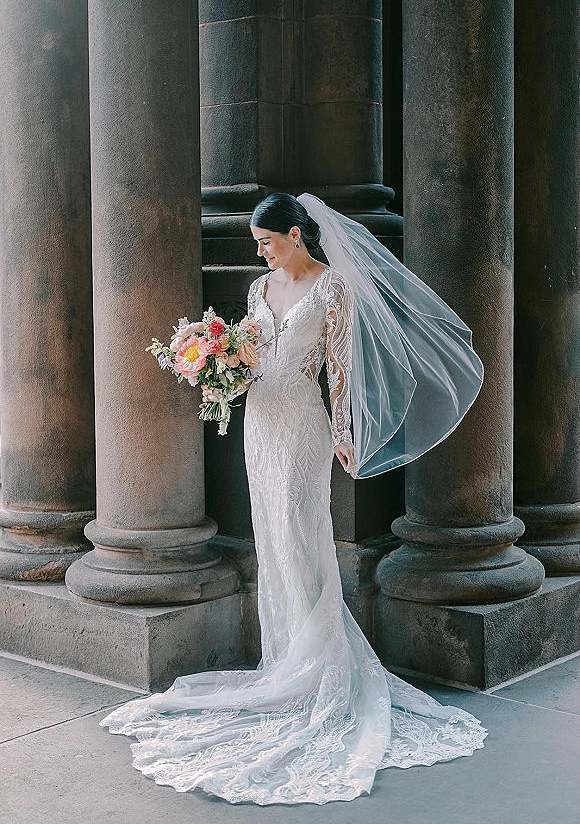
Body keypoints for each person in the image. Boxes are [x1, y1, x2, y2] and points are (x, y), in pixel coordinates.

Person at [101, 193, 486, 805]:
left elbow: (340, 369)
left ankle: (322, 668)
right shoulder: (259, 288)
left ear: (295, 236)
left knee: (302, 533)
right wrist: (218, 368)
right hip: (260, 420)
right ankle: (284, 661)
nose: (260, 252)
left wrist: (345, 434)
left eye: (266, 241)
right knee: (272, 537)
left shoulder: (334, 288)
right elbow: (254, 354)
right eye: (256, 244)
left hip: (303, 423)